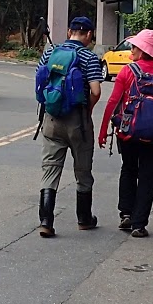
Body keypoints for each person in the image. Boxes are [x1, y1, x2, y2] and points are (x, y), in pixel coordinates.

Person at [33, 16, 106, 237]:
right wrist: (88, 110)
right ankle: (84, 218)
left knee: (50, 169)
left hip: (51, 118)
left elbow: (40, 83)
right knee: (83, 170)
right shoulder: (89, 57)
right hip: (78, 121)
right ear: (89, 35)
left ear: (69, 32)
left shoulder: (50, 52)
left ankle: (46, 221)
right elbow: (96, 91)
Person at [99, 29, 153, 238]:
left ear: (143, 50)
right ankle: (139, 224)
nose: (131, 50)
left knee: (129, 169)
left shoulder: (127, 72)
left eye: (134, 47)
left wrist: (104, 130)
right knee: (148, 176)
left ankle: (126, 213)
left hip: (127, 133)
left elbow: (113, 102)